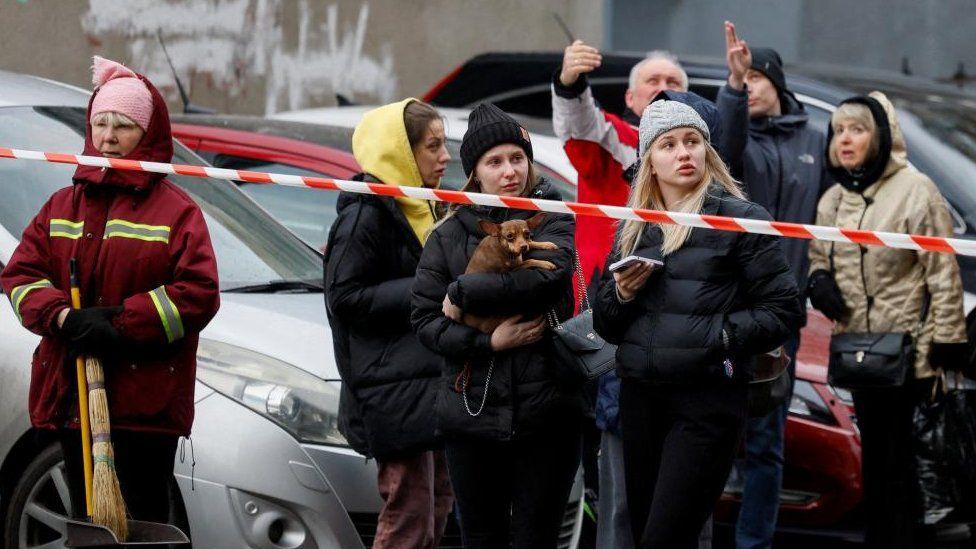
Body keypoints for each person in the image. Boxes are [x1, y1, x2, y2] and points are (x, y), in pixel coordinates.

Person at [1, 56, 219, 524]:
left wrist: (120, 325)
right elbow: (20, 276)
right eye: (100, 123)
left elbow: (198, 293)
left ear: (148, 134)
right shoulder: (63, 205)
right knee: (88, 520)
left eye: (122, 126)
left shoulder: (176, 213)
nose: (108, 137)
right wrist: (62, 316)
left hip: (145, 404)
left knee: (140, 520)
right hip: (73, 397)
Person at [592, 99, 803, 548]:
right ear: (649, 159)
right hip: (641, 399)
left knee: (665, 538)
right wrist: (624, 293)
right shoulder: (633, 225)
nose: (684, 152)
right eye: (668, 145)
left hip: (706, 401)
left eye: (693, 141)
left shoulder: (741, 219)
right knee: (644, 528)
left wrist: (719, 336)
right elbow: (607, 326)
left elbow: (785, 309)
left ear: (709, 151)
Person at [411, 102, 583, 548]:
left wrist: (462, 292)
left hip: (548, 413)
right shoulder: (447, 235)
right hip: (472, 413)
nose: (509, 171)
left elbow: (545, 280)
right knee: (481, 538)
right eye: (495, 161)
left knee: (536, 538)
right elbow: (425, 322)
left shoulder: (552, 216)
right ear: (475, 174)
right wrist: (488, 340)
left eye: (517, 158)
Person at [807, 91, 968, 548]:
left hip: (910, 353)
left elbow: (942, 272)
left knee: (903, 465)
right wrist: (819, 281)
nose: (844, 140)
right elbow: (819, 253)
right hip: (858, 351)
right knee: (875, 461)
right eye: (838, 131)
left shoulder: (916, 191)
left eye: (857, 130)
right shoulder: (834, 198)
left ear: (881, 137)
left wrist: (947, 341)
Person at [715, 22, 832, 548]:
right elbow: (726, 146)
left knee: (766, 442)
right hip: (726, 310)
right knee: (714, 433)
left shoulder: (814, 138)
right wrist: (733, 88)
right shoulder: (735, 136)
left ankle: (753, 542)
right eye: (747, 77)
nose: (754, 84)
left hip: (781, 317)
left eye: (761, 77)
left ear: (780, 85)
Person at [324, 98, 454, 549]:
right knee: (409, 514)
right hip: (391, 389)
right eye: (433, 146)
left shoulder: (422, 205)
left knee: (436, 506)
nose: (445, 157)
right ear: (400, 151)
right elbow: (345, 297)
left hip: (427, 381)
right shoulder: (366, 212)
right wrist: (428, 286)